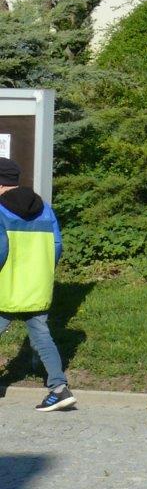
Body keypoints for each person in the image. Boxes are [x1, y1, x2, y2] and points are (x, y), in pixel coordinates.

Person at [0, 159, 76, 412]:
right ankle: (59, 389)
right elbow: (57, 247)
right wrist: (41, 272)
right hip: (37, 286)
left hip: (6, 287)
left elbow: (1, 249)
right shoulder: (45, 209)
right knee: (43, 337)